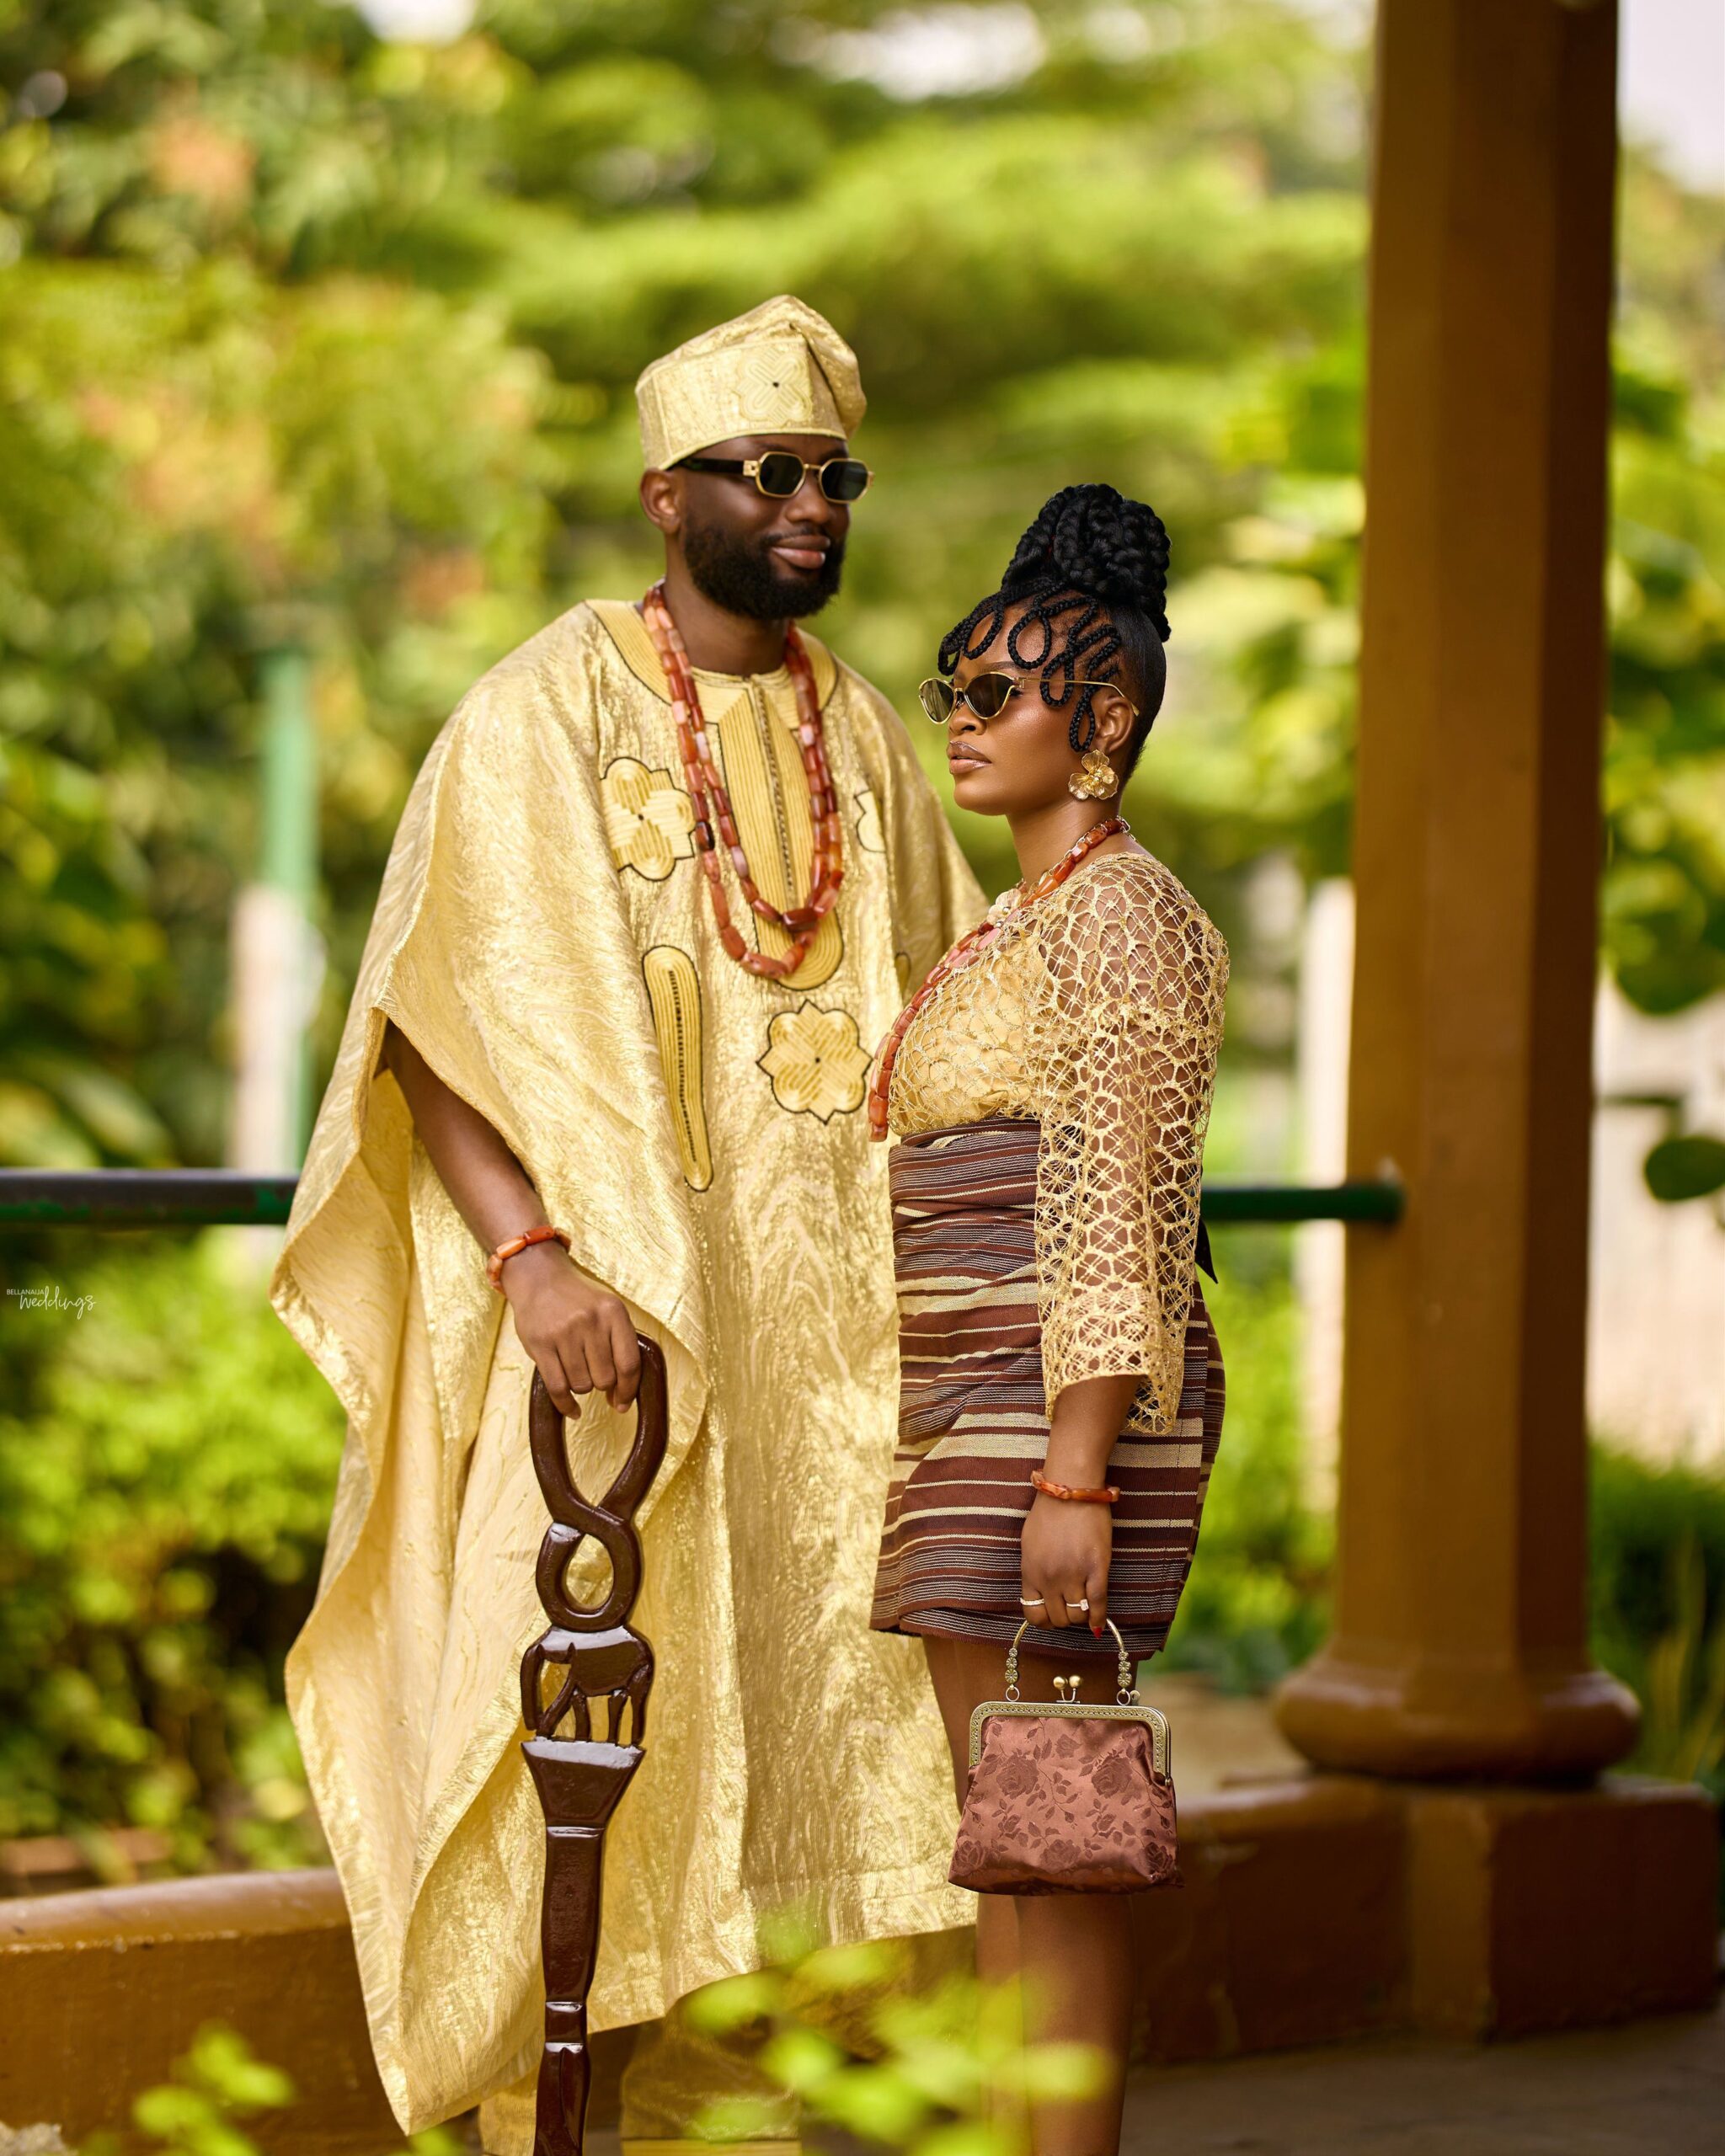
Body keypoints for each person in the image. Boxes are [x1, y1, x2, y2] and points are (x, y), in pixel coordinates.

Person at [269, 296, 985, 2155]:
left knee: (814, 1780)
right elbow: (427, 1026)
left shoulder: (868, 740)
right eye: (769, 472)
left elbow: (960, 1032)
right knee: (587, 1772)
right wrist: (534, 1260)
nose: (808, 505)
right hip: (615, 1361)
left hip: (838, 1387)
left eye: (834, 477)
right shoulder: (538, 711)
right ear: (669, 496)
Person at [867, 483, 1229, 2156]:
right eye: (955, 685)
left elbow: (1115, 1197)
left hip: (1055, 1405)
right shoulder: (1027, 915)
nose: (963, 716)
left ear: (1107, 721)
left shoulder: (1125, 918)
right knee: (1009, 1830)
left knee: (1056, 1832)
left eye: (1000, 691)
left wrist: (1075, 1469)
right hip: (977, 1399)